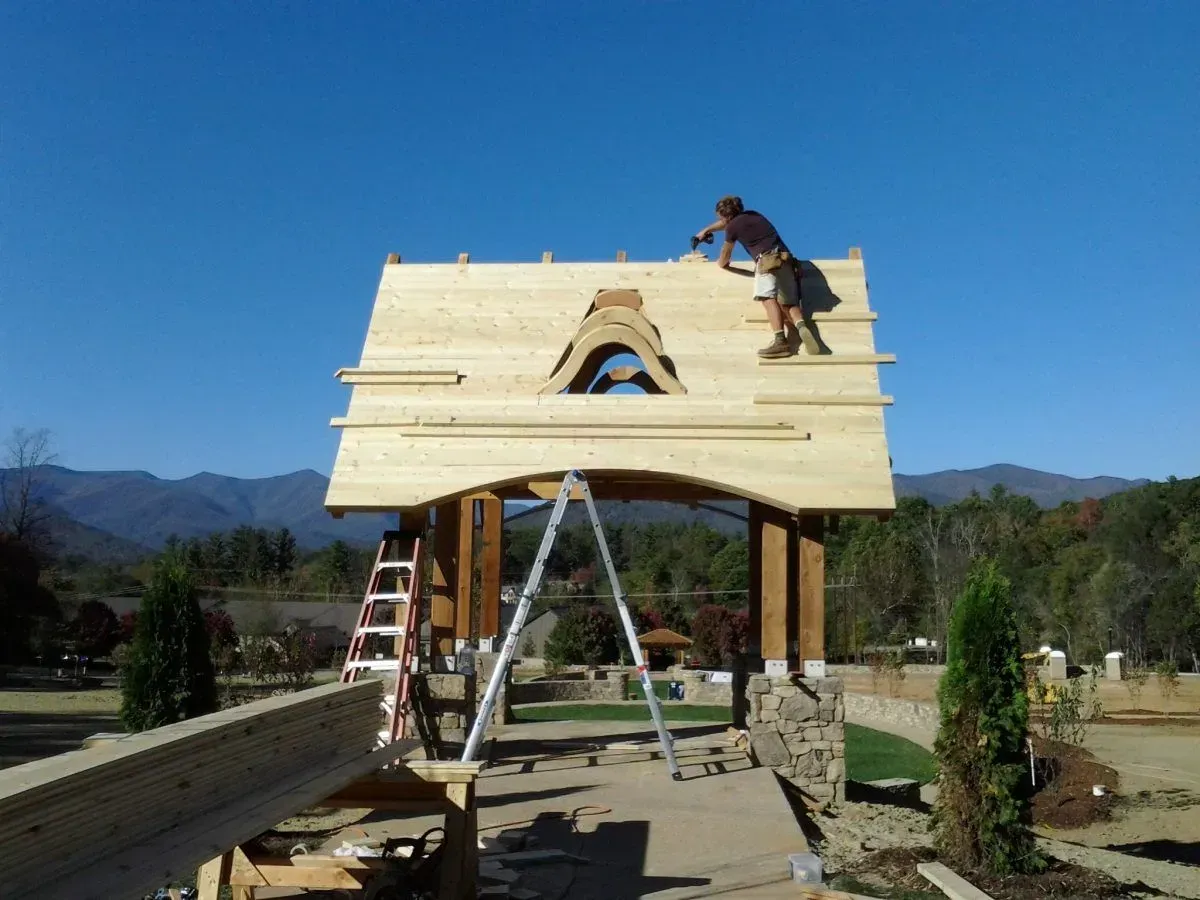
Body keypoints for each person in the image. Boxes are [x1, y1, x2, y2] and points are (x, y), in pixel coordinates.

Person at [694, 195, 816, 358]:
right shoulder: (754, 215)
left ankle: (780, 342)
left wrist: (722, 263)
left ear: (726, 216)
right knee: (788, 303)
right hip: (787, 260)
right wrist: (706, 231)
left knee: (767, 298)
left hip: (767, 260)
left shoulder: (732, 228)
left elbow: (726, 254)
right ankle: (801, 326)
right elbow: (729, 223)